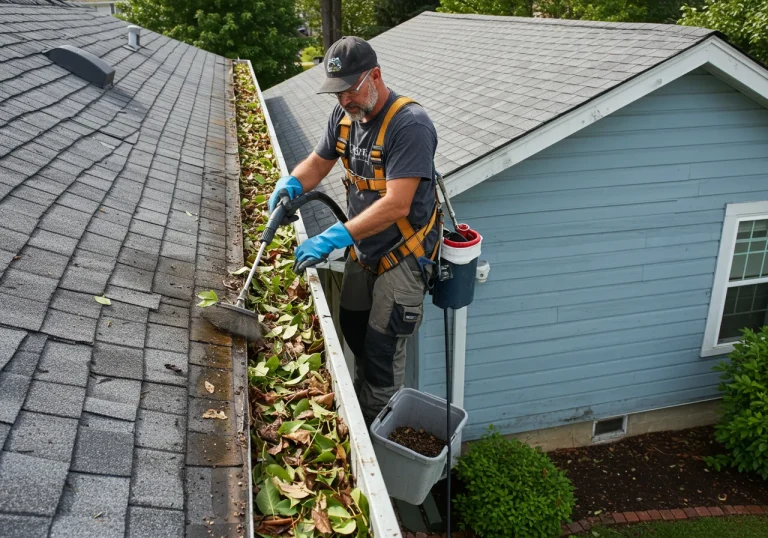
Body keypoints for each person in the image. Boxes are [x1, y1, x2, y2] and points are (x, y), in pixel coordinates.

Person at [268, 36, 440, 425]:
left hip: (404, 255)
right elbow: (317, 162)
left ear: (374, 76)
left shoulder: (409, 125)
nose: (343, 100)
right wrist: (291, 184)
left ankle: (375, 437)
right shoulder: (344, 116)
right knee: (353, 326)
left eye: (349, 89)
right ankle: (363, 401)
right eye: (336, 92)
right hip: (365, 250)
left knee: (381, 352)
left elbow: (398, 203)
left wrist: (335, 236)